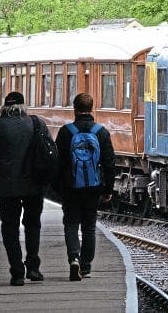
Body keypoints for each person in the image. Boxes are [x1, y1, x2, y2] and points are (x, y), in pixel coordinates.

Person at [0, 91, 52, 286]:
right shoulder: (36, 123)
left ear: (5, 105)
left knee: (9, 227)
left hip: (7, 185)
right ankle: (33, 267)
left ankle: (17, 272)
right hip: (34, 183)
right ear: (23, 104)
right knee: (33, 224)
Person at [53, 93, 115, 281]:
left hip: (71, 187)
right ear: (92, 108)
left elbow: (58, 162)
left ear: (74, 108)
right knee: (89, 226)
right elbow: (109, 163)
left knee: (71, 224)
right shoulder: (101, 132)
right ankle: (86, 266)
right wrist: (108, 189)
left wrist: (58, 187)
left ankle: (74, 258)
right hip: (93, 186)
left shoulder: (66, 132)